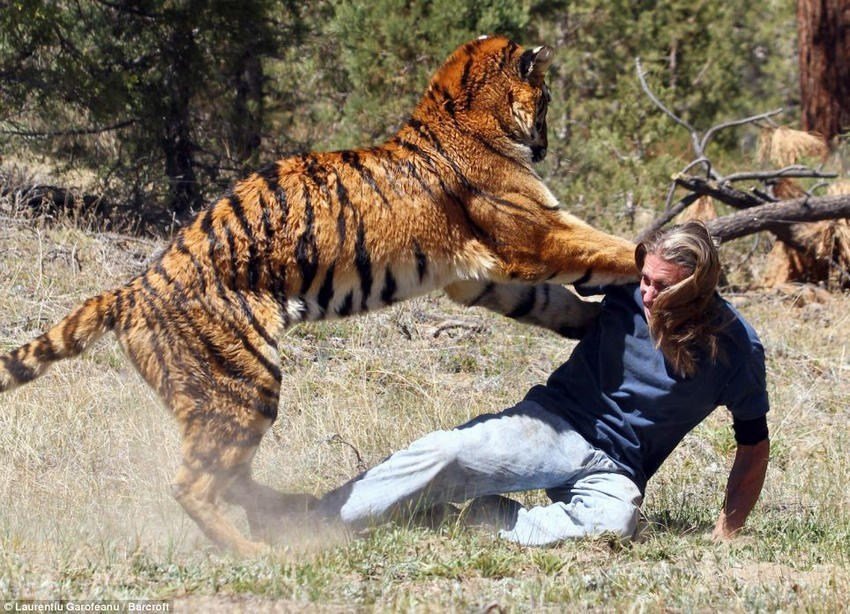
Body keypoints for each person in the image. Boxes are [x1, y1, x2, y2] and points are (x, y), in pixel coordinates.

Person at [318, 221, 770, 545]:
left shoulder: (737, 349)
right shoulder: (625, 281)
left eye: (662, 287)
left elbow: (753, 446)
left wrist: (728, 531)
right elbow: (552, 259)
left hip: (618, 468)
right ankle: (315, 518)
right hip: (555, 425)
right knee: (448, 453)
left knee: (615, 524)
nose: (647, 294)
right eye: (645, 279)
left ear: (698, 288)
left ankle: (484, 520)